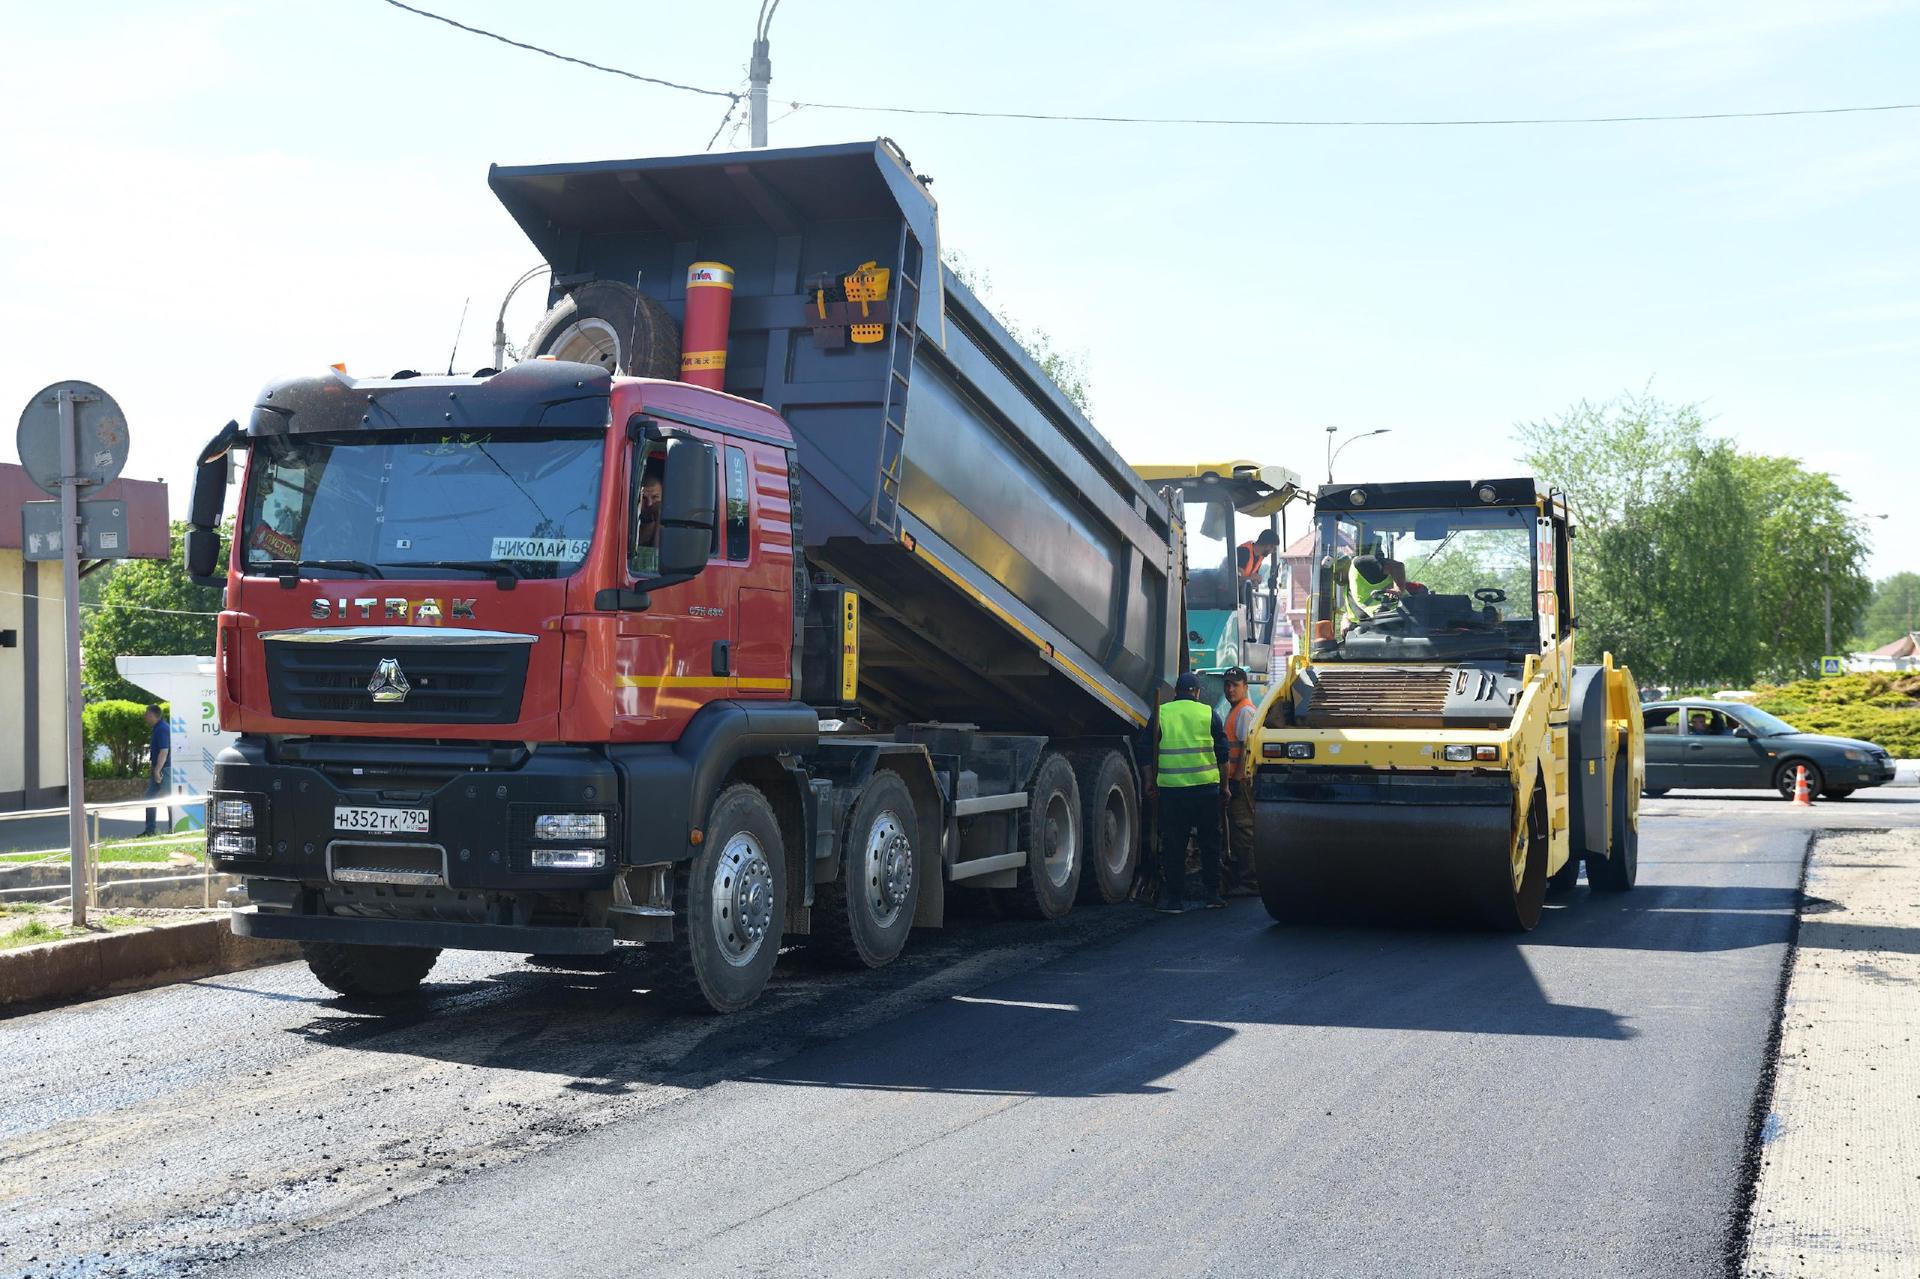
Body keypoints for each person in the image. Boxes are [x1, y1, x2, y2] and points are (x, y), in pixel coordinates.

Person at [1144, 672, 1231, 913]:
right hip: (1206, 790)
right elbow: (1223, 756)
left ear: (1176, 692)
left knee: (1174, 844)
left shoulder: (1162, 713)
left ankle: (1174, 900)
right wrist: (1224, 787)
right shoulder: (1208, 713)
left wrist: (1149, 782)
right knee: (1210, 841)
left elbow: (1146, 752)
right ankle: (1213, 894)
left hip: (1172, 791)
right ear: (1198, 692)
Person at [1220, 666, 1259, 895]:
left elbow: (1247, 747)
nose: (1230, 689)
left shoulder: (1245, 711)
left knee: (1245, 831)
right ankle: (1244, 877)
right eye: (1227, 685)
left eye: (1235, 685)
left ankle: (1251, 881)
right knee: (1238, 831)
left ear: (1245, 686)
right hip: (1236, 780)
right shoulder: (1236, 710)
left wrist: (1236, 777)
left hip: (1241, 781)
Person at [140, 705, 170, 838]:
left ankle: (172, 828)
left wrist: (157, 770)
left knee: (170, 800)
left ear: (153, 715)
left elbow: (164, 751)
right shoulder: (158, 728)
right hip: (159, 768)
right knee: (150, 798)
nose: (145, 717)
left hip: (164, 769)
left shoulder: (162, 729)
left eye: (147, 714)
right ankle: (150, 830)